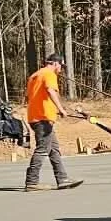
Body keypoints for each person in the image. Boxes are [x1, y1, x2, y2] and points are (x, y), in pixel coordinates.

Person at [23, 55, 86, 191]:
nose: (61, 70)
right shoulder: (49, 74)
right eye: (61, 66)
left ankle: (62, 179)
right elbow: (50, 91)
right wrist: (61, 109)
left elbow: (31, 96)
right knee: (42, 149)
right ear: (55, 63)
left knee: (54, 149)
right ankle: (32, 182)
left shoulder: (34, 75)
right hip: (43, 118)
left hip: (36, 116)